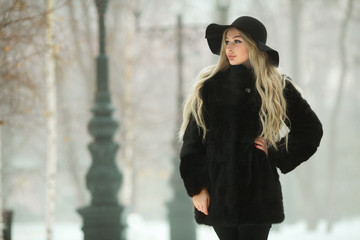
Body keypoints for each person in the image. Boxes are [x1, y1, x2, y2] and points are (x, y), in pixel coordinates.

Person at [178, 16, 323, 240]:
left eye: (238, 41)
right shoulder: (210, 86)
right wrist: (197, 188)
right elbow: (193, 142)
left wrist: (275, 151)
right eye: (227, 42)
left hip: (258, 196)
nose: (229, 48)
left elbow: (310, 130)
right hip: (220, 193)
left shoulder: (277, 86)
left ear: (254, 45)